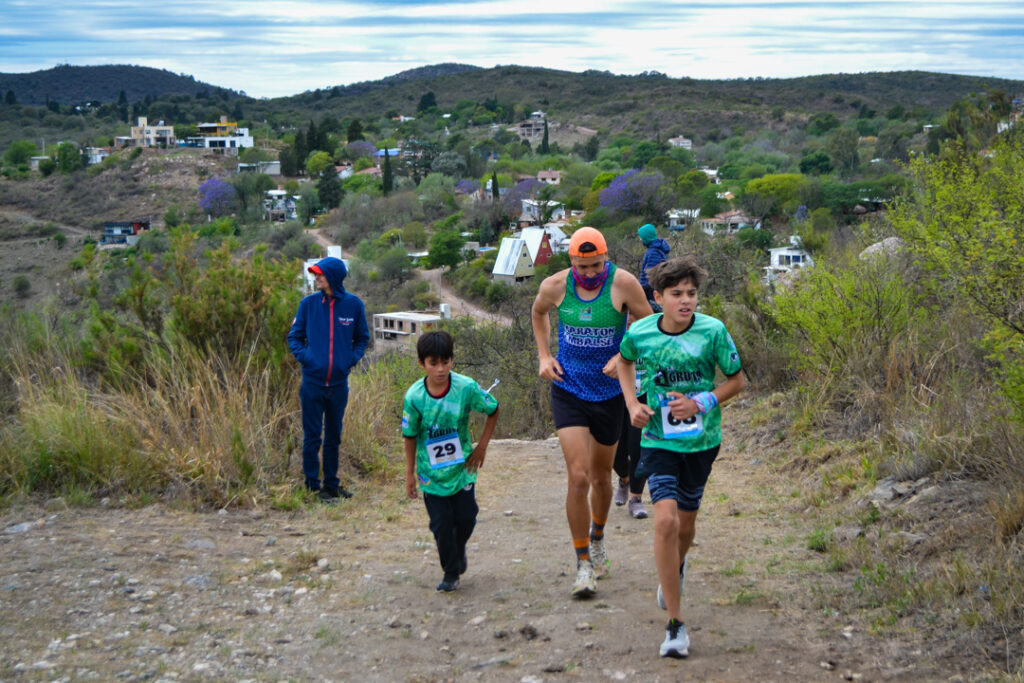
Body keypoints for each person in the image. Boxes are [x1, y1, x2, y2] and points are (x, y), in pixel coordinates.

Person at [617, 256, 745, 659]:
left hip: (702, 443)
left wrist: (702, 401)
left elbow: (738, 380)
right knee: (666, 520)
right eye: (676, 294)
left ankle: (674, 569)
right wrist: (631, 403)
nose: (686, 301)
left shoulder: (713, 332)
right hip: (658, 441)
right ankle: (675, 625)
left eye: (691, 293)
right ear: (657, 297)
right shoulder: (640, 332)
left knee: (685, 527)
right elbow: (624, 361)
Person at [531, 226, 652, 598]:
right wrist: (544, 355)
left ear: (606, 257)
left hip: (610, 395)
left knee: (601, 479)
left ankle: (598, 538)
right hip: (568, 389)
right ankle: (583, 562)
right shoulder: (555, 286)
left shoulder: (624, 284)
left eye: (595, 265)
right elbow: (538, 313)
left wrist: (622, 355)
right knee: (578, 477)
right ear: (572, 261)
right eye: (582, 267)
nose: (588, 274)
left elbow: (648, 326)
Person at [402, 330, 500, 592]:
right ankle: (451, 572)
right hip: (430, 474)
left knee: (467, 517)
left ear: (452, 360)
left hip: (462, 469)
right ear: (422, 364)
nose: (441, 369)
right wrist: (409, 474)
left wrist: (482, 446)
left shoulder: (465, 387)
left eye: (446, 361)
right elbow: (409, 436)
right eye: (433, 363)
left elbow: (493, 408)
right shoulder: (414, 397)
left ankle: (458, 551)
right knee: (441, 525)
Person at [287, 256, 370, 501]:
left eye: (320, 274)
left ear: (332, 276)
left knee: (334, 436)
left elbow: (362, 338)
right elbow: (294, 337)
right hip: (312, 383)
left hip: (338, 385)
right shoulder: (308, 304)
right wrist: (308, 359)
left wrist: (349, 360)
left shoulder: (353, 306)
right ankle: (312, 486)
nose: (316, 278)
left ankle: (331, 485)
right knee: (312, 436)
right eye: (315, 274)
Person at [613, 351, 649, 520]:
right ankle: (625, 478)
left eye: (635, 320)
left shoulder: (652, 330)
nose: (630, 321)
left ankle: (636, 498)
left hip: (645, 395)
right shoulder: (613, 329)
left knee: (637, 447)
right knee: (614, 450)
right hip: (615, 395)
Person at [637, 223, 671, 304]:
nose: (640, 239)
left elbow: (652, 276)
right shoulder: (654, 249)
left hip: (651, 294)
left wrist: (644, 292)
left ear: (646, 237)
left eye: (641, 237)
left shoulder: (653, 252)